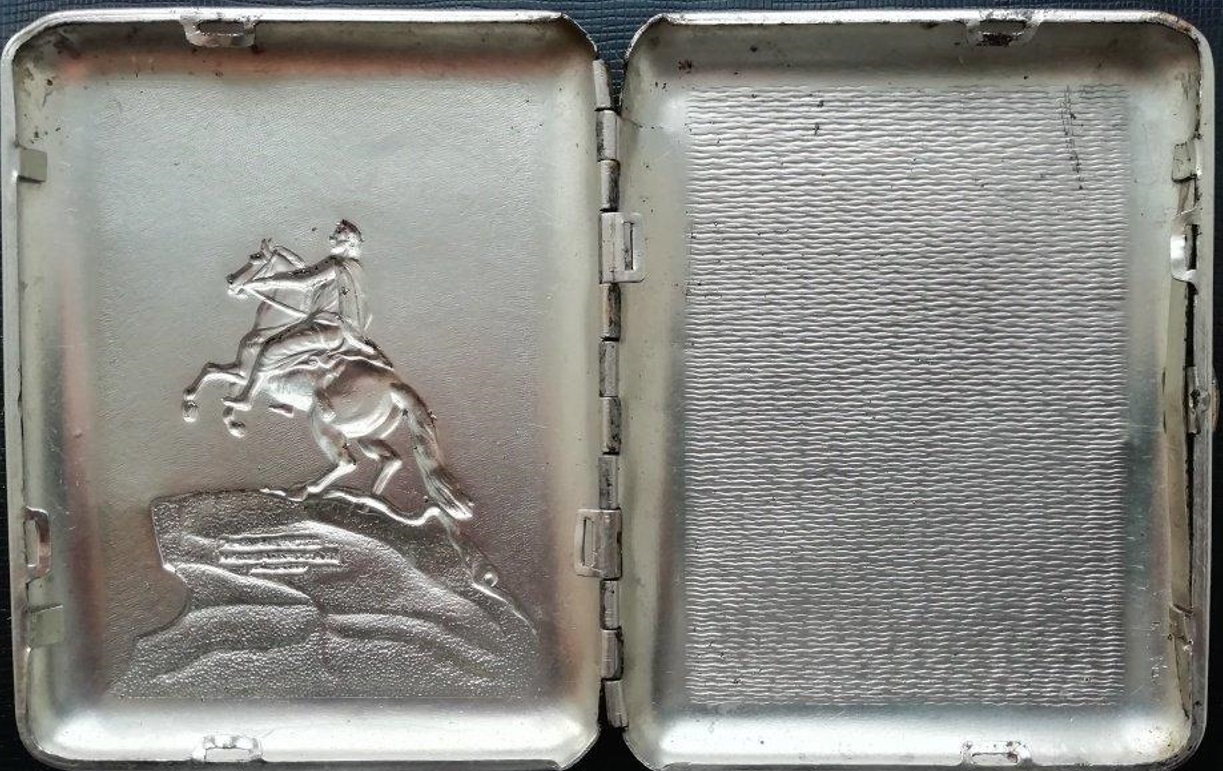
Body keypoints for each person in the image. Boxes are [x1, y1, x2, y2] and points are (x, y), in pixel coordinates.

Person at [223, 220, 381, 412]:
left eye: (337, 235)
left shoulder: (338, 264)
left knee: (269, 350)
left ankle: (247, 398)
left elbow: (305, 280)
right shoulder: (356, 270)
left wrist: (264, 282)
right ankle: (286, 401)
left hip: (326, 330)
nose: (331, 238)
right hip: (342, 332)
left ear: (350, 242)